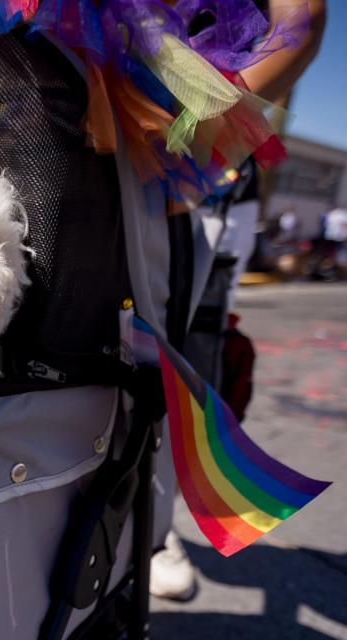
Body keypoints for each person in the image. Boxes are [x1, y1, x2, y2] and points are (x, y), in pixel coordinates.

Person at [150, 0, 327, 603]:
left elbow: (300, 20)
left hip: (199, 164)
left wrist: (201, 139)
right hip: (68, 120)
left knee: (177, 352)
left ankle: (152, 526)